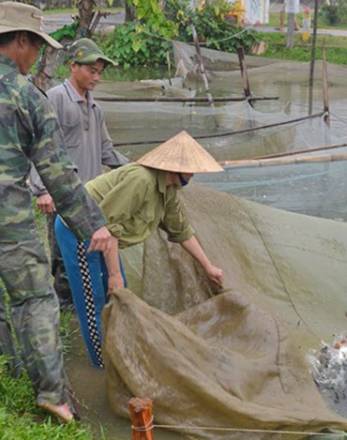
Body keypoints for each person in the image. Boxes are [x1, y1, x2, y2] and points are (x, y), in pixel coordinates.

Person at [0, 2, 115, 423]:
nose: (38, 58)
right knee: (35, 299)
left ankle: (9, 371)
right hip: (9, 220)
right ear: (21, 43)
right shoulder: (29, 96)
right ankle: (51, 394)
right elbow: (59, 177)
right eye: (36, 47)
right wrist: (93, 227)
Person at [55, 131, 225, 368]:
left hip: (105, 235)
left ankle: (120, 351)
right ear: (174, 168)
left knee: (120, 294)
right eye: (191, 169)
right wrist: (113, 275)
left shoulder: (169, 190)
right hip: (80, 230)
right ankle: (103, 365)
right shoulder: (142, 180)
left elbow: (181, 230)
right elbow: (105, 226)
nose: (194, 174)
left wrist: (208, 267)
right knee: (93, 299)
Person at [30, 38, 129, 311]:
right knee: (63, 255)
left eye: (99, 72)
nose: (96, 77)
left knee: (90, 250)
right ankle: (64, 307)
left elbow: (106, 150)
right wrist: (42, 189)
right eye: (91, 71)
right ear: (73, 66)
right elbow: (40, 145)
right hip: (62, 192)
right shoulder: (56, 98)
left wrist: (135, 169)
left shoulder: (95, 107)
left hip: (91, 194)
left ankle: (85, 303)